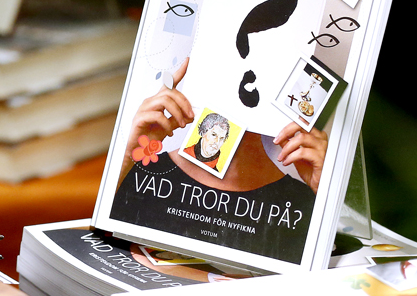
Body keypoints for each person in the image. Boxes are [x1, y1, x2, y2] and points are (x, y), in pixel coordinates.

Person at [111, 57, 328, 263]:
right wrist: (128, 158)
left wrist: (326, 191)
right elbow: (105, 246)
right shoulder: (144, 173)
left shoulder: (302, 201)